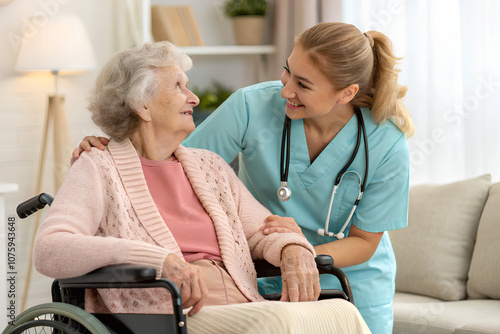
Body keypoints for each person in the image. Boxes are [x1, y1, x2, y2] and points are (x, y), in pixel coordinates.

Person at [74, 22, 411, 333]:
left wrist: (302, 252)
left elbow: (366, 241)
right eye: (287, 71)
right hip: (265, 270)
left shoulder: (386, 143)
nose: (285, 91)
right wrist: (111, 148)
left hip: (351, 279)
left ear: (346, 93)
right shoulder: (252, 106)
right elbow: (172, 161)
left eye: (303, 84)